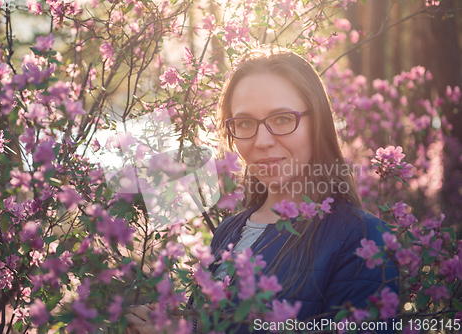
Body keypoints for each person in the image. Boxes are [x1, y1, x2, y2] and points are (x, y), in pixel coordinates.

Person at [126, 46, 399, 334]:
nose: (262, 141)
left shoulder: (362, 238)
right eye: (244, 123)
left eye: (282, 118)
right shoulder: (229, 231)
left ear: (317, 122)